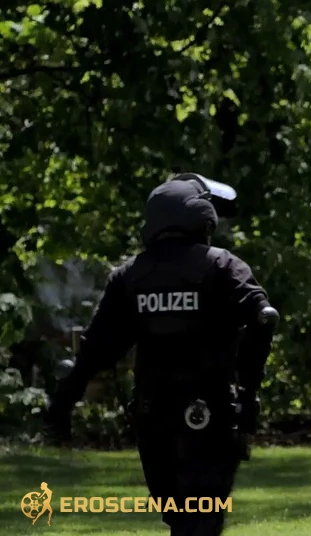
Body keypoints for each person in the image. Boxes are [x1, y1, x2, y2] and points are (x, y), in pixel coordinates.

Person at [44, 173, 278, 536]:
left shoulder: (129, 276)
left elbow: (96, 349)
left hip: (152, 414)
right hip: (211, 410)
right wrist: (248, 392)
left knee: (178, 515)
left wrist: (62, 404)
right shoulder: (222, 265)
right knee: (202, 516)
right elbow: (264, 318)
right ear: (201, 216)